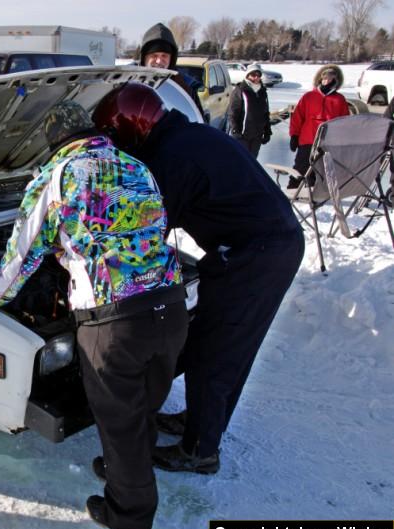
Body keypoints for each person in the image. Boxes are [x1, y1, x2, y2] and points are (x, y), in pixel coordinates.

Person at [0, 101, 188, 529]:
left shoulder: (57, 176)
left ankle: (131, 518)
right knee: (143, 402)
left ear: (52, 144)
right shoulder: (136, 165)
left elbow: (23, 254)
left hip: (114, 319)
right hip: (169, 304)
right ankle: (127, 470)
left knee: (119, 418)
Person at [93, 83, 304, 474]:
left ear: (132, 129)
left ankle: (199, 450)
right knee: (230, 344)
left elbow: (146, 230)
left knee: (215, 349)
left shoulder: (172, 157)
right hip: (268, 245)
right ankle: (201, 423)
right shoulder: (189, 136)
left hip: (253, 254)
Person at [287, 64, 350, 188]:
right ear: (320, 79)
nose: (326, 80)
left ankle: (314, 193)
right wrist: (294, 135)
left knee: (321, 170)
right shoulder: (309, 96)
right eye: (324, 77)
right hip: (307, 139)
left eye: (330, 77)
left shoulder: (339, 99)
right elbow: (297, 117)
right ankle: (292, 189)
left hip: (328, 141)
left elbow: (344, 122)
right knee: (301, 166)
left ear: (335, 80)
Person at [139, 23, 206, 120]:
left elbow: (197, 120)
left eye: (164, 56)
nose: (159, 61)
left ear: (172, 58)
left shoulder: (184, 86)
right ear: (144, 57)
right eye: (154, 55)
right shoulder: (126, 81)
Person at [227, 63, 272, 157]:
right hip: (242, 136)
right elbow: (232, 113)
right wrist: (235, 130)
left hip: (257, 136)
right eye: (253, 75)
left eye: (258, 75)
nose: (256, 77)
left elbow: (265, 113)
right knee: (242, 162)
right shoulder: (240, 90)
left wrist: (267, 131)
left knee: (252, 163)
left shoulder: (263, 92)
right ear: (247, 75)